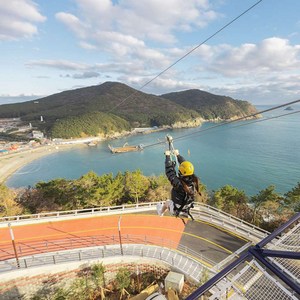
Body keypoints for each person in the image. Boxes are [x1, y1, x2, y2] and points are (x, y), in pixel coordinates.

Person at [157, 142, 201, 219]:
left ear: (181, 173)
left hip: (177, 209)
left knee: (167, 202)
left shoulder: (179, 184)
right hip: (186, 207)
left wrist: (167, 157)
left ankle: (160, 213)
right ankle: (163, 212)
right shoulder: (194, 180)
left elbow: (170, 172)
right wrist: (177, 155)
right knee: (170, 202)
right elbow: (185, 165)